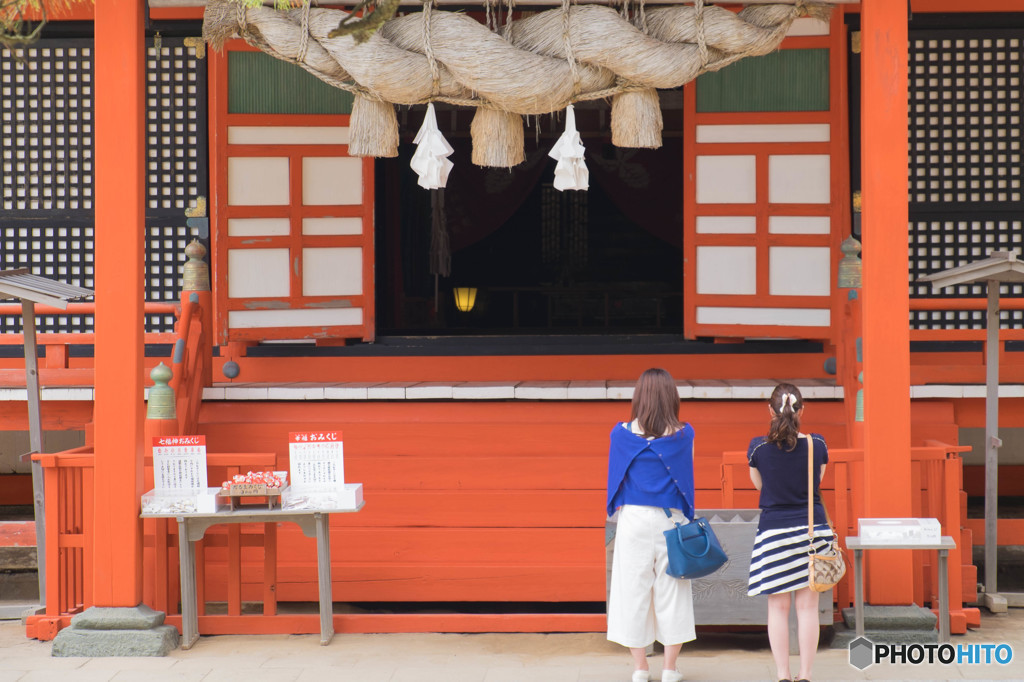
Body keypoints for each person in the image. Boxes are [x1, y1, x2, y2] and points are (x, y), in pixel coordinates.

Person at [606, 368, 696, 682]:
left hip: (633, 519)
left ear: (639, 397)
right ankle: (670, 669)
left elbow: (615, 480)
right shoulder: (685, 435)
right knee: (674, 592)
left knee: (632, 592)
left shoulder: (620, 434)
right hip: (671, 519)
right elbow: (686, 480)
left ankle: (640, 668)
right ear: (672, 397)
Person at [746, 383, 831, 682]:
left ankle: (782, 675)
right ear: (802, 411)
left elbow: (760, 486)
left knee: (778, 607)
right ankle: (805, 675)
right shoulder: (817, 445)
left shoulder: (758, 448)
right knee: (808, 607)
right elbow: (816, 483)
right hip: (812, 532)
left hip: (774, 533)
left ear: (770, 411)